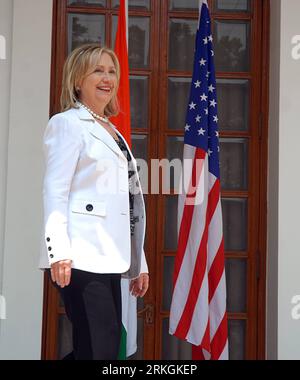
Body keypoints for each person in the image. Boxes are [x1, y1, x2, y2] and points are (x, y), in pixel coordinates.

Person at [39, 43, 149, 360]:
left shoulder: (114, 132)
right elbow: (54, 190)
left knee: (102, 344)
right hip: (79, 255)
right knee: (99, 346)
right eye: (97, 70)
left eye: (111, 71)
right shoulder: (67, 123)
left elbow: (128, 205)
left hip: (110, 256)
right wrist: (58, 251)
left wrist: (138, 262)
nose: (107, 78)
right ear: (77, 80)